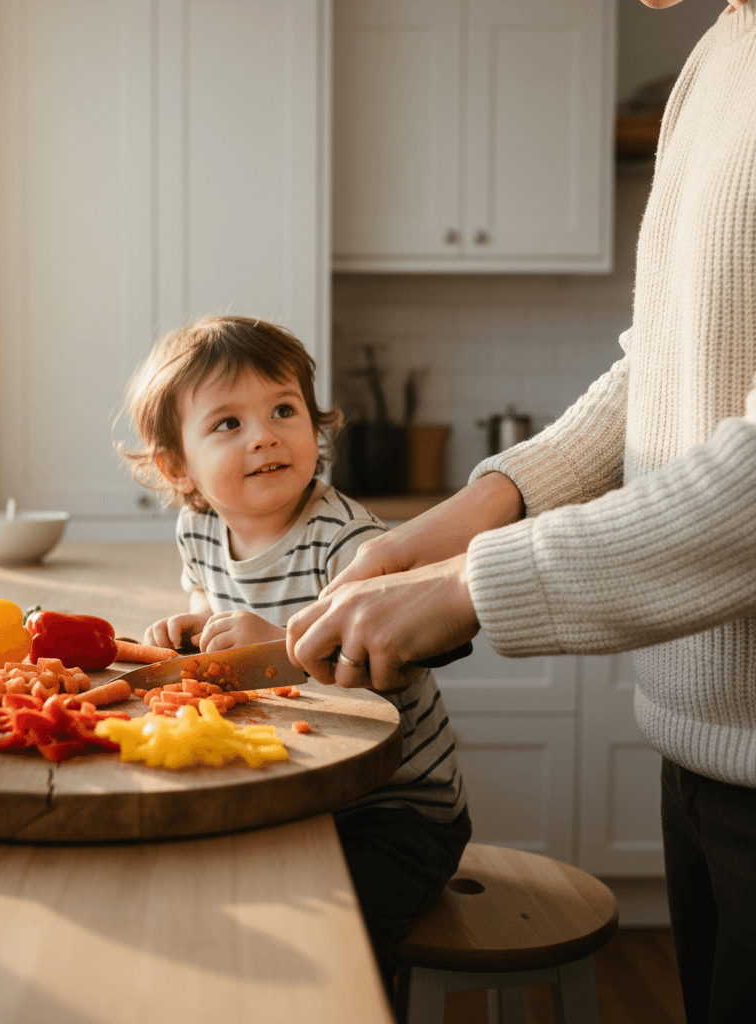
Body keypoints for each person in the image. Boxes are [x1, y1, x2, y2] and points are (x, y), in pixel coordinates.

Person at [286, 2, 756, 1021]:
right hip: (701, 754)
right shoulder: (717, 58)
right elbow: (657, 367)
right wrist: (456, 521)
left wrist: (470, 585)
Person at [119, 314, 472, 995]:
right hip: (293, 788)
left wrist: (277, 650)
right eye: (228, 424)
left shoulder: (349, 544)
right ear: (175, 465)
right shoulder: (196, 529)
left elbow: (398, 665)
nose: (265, 435)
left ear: (316, 426)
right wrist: (189, 634)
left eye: (284, 410)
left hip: (393, 811)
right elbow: (210, 613)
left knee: (337, 955)